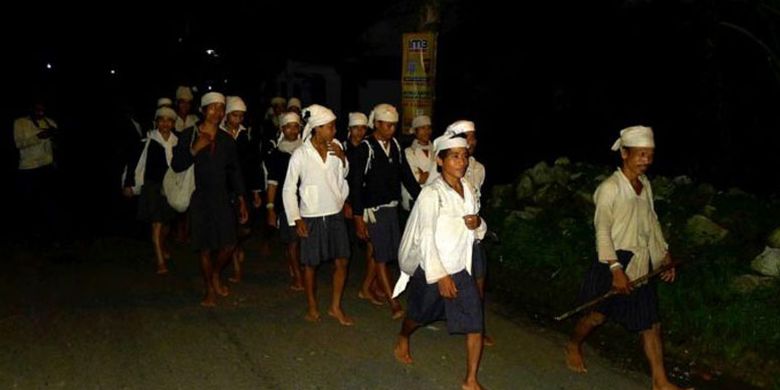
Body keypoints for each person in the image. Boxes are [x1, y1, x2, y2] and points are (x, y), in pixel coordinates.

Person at [564, 126, 688, 390]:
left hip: (641, 263)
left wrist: (664, 254)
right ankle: (574, 343)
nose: (645, 160)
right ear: (624, 153)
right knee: (596, 317)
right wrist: (616, 269)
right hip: (614, 262)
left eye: (649, 155)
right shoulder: (610, 189)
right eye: (640, 154)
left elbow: (651, 221)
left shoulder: (646, 185)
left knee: (651, 324)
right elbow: (602, 231)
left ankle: (660, 381)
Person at [392, 132, 487, 390]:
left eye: (464, 156)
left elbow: (478, 226)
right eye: (455, 157)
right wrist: (440, 274)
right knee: (418, 316)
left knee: (475, 323)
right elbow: (426, 236)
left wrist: (478, 223)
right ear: (440, 161)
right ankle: (403, 336)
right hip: (434, 270)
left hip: (460, 268)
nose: (462, 162)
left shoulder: (467, 188)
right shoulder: (431, 194)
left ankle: (470, 380)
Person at [171, 92, 248, 307]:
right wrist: (195, 149)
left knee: (229, 243)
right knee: (204, 247)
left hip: (222, 196)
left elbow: (235, 171)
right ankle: (208, 289)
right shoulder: (189, 135)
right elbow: (176, 165)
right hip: (200, 196)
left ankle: (215, 273)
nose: (217, 112)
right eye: (212, 108)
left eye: (220, 108)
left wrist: (242, 198)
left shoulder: (226, 139)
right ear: (203, 110)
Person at [282, 104, 352, 325]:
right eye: (330, 127)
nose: (334, 131)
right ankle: (312, 306)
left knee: (342, 260)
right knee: (310, 264)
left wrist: (342, 158)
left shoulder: (336, 147)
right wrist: (296, 218)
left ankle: (335, 307)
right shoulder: (301, 154)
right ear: (317, 128)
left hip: (334, 212)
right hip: (311, 215)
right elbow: (288, 188)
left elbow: (344, 174)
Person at [350, 103, 421, 319]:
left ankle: (365, 289)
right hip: (373, 210)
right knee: (381, 256)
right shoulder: (366, 148)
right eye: (387, 125)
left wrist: (424, 198)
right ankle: (393, 302)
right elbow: (355, 184)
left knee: (382, 253)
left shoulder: (396, 146)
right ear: (377, 124)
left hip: (391, 208)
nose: (391, 129)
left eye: (394, 126)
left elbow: (406, 176)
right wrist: (358, 217)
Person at [123, 107, 178, 274]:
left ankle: (162, 245)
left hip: (170, 187)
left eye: (169, 120)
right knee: (157, 223)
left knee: (167, 223)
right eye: (161, 120)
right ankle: (160, 260)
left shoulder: (178, 141)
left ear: (173, 123)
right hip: (152, 186)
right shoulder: (147, 140)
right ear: (156, 122)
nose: (165, 123)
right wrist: (128, 183)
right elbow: (133, 161)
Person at [220, 96, 263, 283]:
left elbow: (254, 164)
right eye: (234, 116)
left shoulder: (247, 136)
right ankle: (236, 269)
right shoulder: (219, 134)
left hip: (243, 186)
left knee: (243, 229)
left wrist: (255, 191)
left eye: (240, 116)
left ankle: (237, 250)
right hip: (223, 188)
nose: (237, 120)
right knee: (231, 228)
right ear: (227, 115)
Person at [265, 112, 305, 291]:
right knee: (292, 242)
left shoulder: (306, 150)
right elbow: (272, 183)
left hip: (306, 203)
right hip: (286, 205)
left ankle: (299, 271)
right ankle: (297, 276)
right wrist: (271, 208)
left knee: (302, 242)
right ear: (282, 129)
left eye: (296, 126)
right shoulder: (277, 153)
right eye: (288, 126)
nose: (292, 130)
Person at [13, 100, 61, 241]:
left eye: (42, 109)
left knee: (48, 201)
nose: (40, 112)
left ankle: (51, 232)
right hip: (28, 167)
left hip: (46, 166)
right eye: (37, 109)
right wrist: (38, 137)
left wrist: (53, 137)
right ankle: (29, 233)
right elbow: (19, 144)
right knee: (29, 202)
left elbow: (56, 145)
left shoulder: (50, 122)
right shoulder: (20, 123)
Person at [401, 115, 435, 212]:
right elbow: (418, 179)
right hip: (415, 199)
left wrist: (425, 174)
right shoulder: (409, 152)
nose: (426, 131)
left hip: (435, 197)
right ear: (415, 131)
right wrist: (433, 173)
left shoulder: (436, 151)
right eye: (422, 128)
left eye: (428, 128)